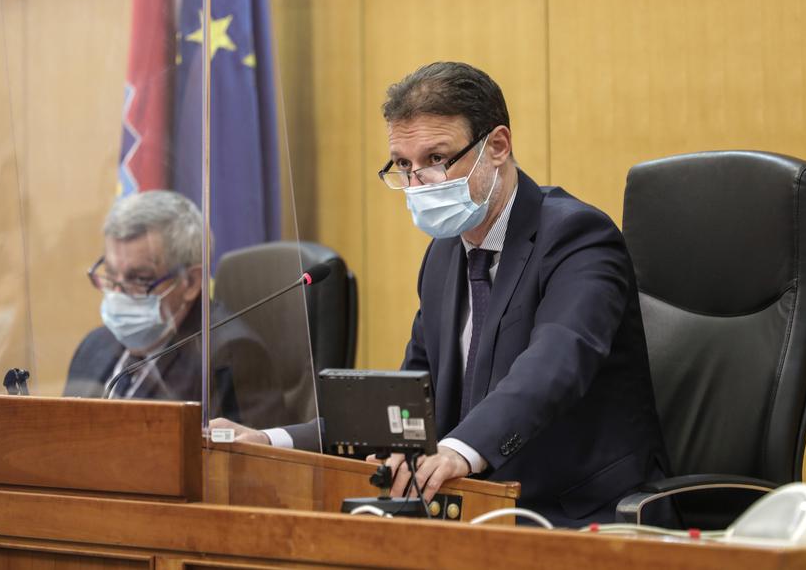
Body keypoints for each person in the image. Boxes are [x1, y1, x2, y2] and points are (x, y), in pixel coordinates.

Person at [215, 62, 671, 527]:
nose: (418, 183)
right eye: (404, 165)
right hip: (478, 511)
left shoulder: (576, 237)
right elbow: (405, 409)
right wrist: (273, 441)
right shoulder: (443, 256)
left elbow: (553, 366)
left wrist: (457, 450)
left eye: (436, 158)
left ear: (497, 146)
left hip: (582, 515)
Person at [64, 189, 282, 428]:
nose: (117, 294)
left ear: (190, 282)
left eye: (140, 279)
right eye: (111, 274)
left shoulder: (228, 354)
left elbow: (249, 450)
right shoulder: (94, 345)